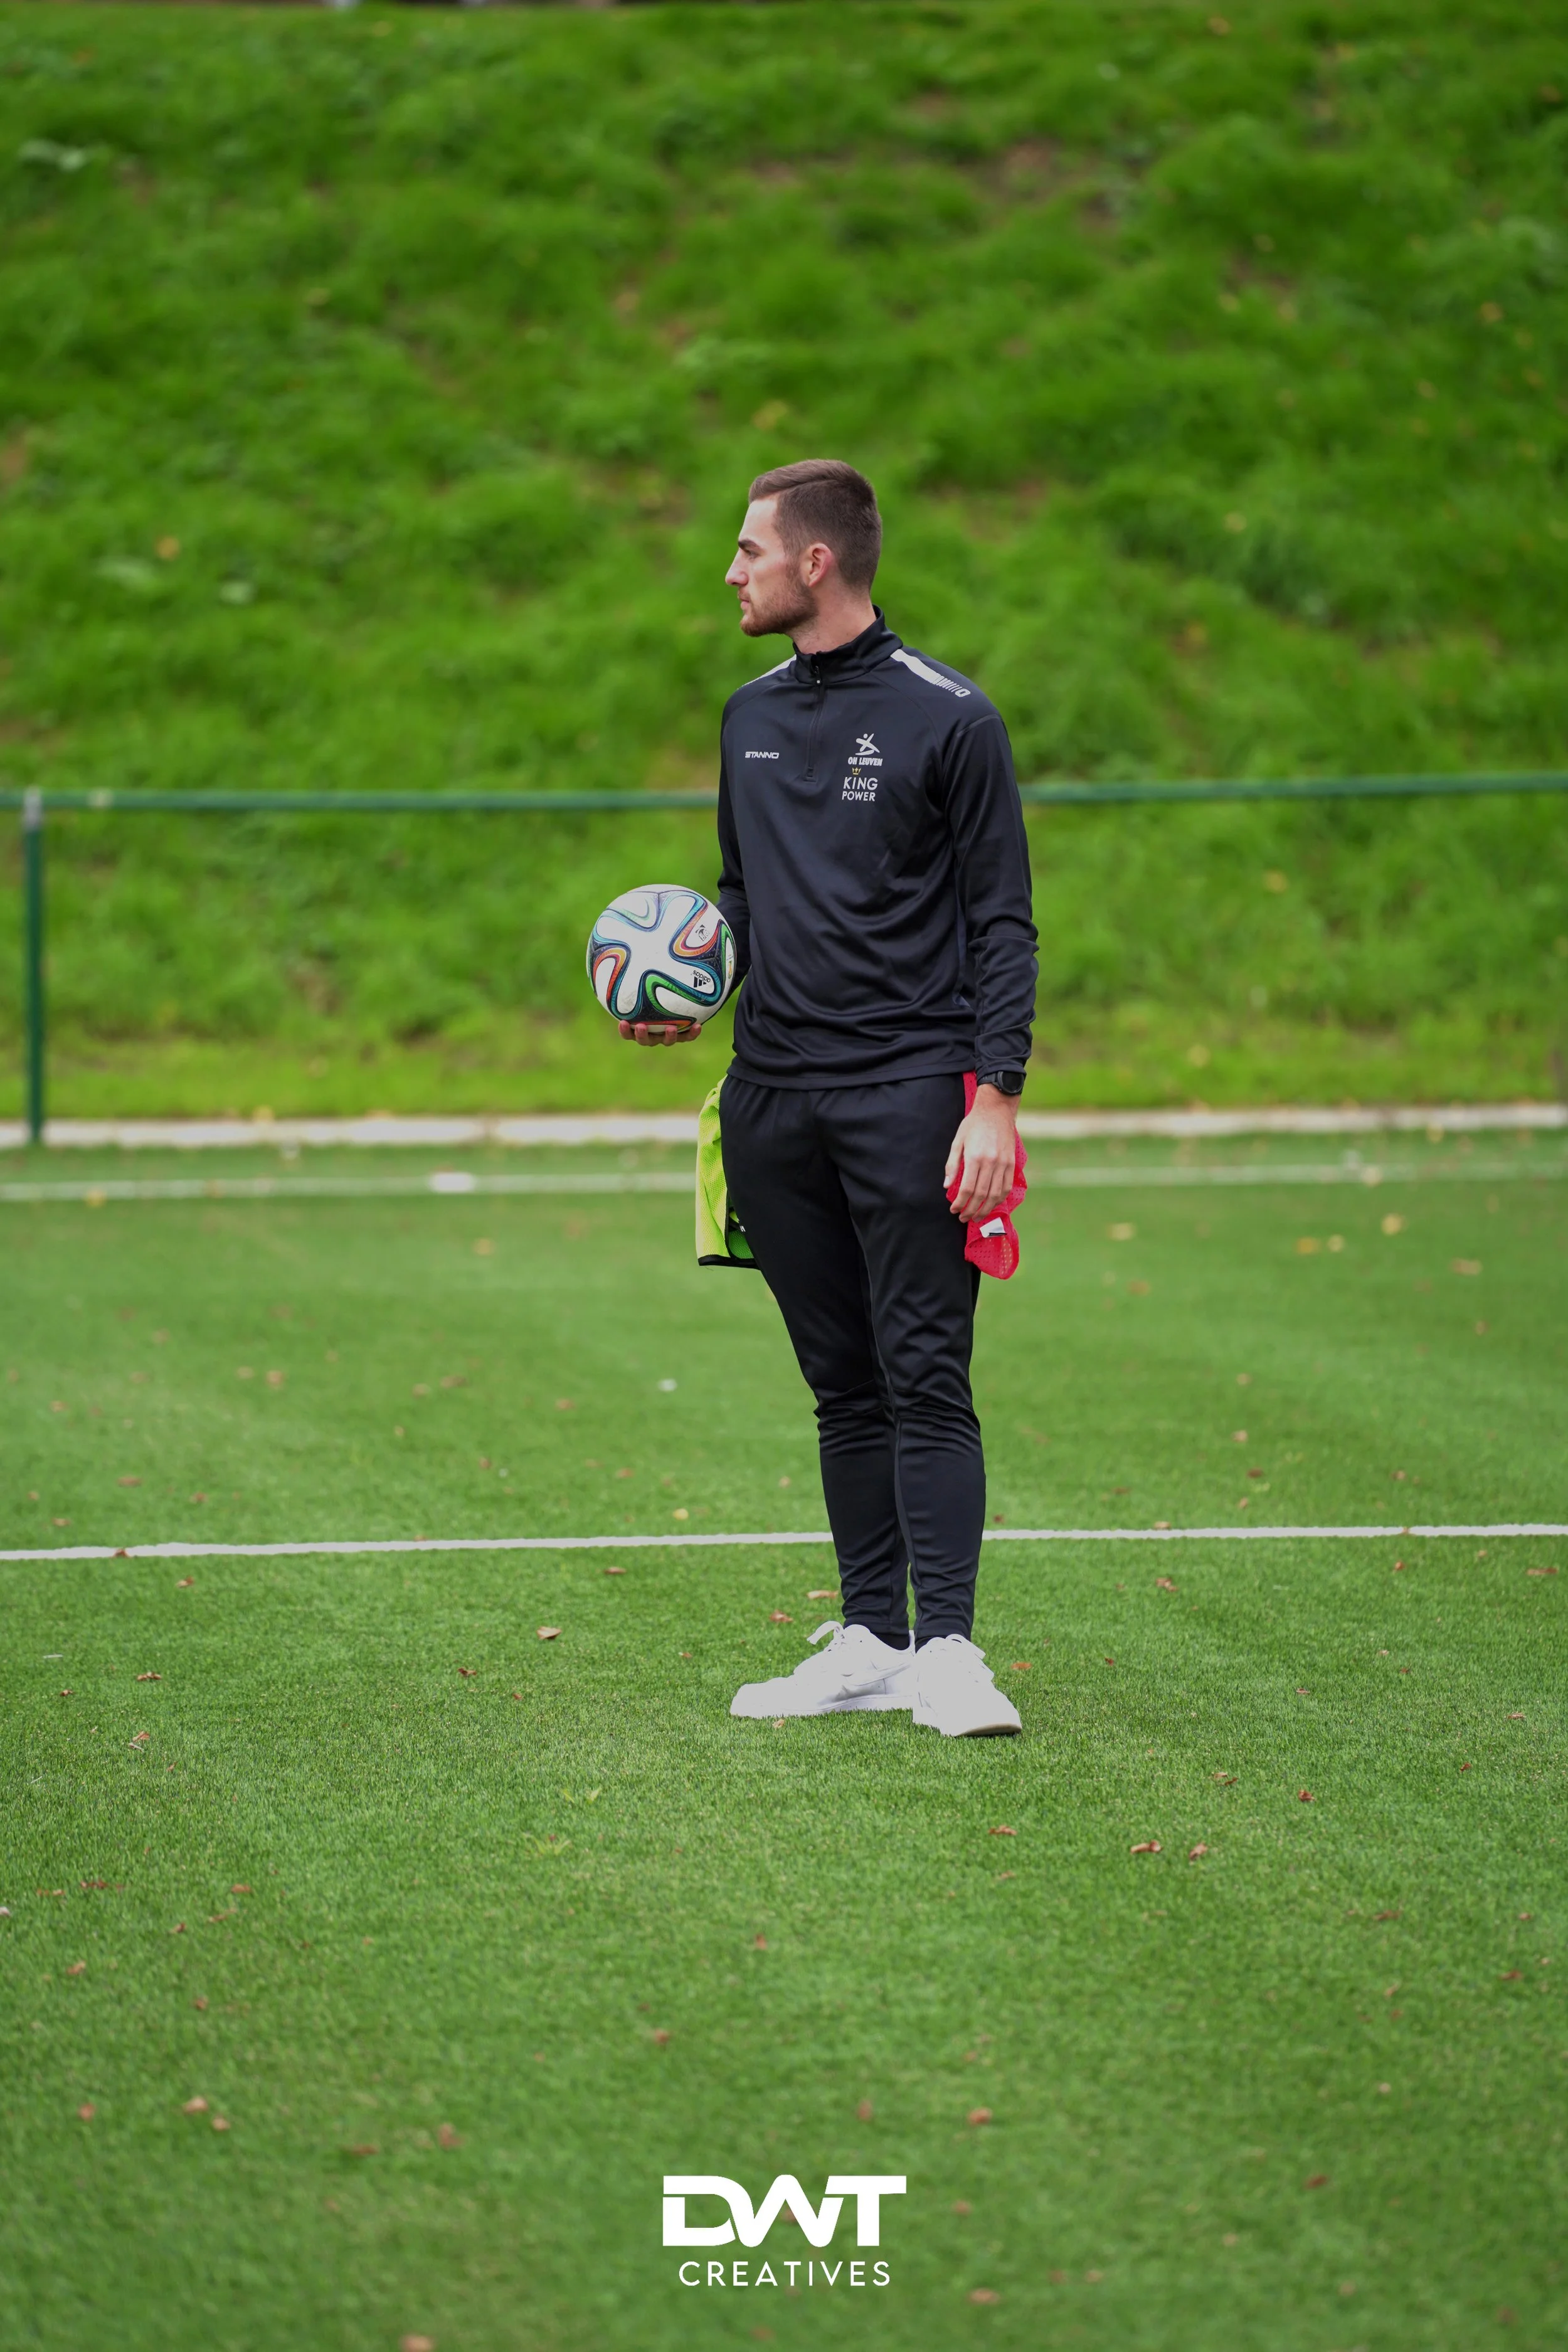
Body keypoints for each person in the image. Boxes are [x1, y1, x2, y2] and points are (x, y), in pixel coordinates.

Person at [620, 459, 1037, 1737]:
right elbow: (740, 895)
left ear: (817, 563)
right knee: (843, 1385)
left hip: (911, 1095)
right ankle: (867, 1636)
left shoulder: (948, 720)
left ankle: (949, 1652)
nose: (730, 571)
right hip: (770, 1103)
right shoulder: (746, 718)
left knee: (924, 1371)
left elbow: (1000, 924)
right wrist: (688, 979)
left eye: (749, 550)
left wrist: (995, 1100)